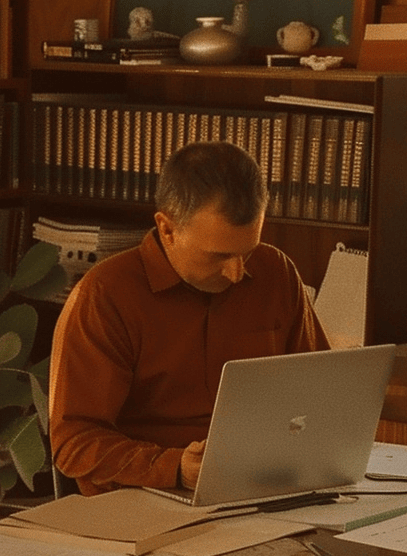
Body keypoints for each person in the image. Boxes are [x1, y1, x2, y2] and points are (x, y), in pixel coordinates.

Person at [48, 141, 328, 495]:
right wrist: (174, 467)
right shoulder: (106, 295)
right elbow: (74, 442)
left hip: (264, 484)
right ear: (167, 229)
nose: (236, 272)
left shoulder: (275, 272)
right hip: (143, 495)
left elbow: (320, 394)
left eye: (247, 251)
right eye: (218, 256)